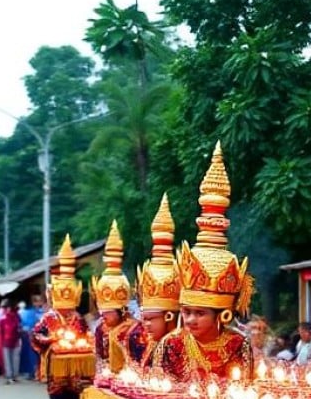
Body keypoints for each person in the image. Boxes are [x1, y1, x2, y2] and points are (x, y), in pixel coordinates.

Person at [153, 143, 253, 381]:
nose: (190, 319)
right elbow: (159, 390)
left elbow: (245, 389)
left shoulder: (239, 344)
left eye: (199, 313)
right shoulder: (172, 343)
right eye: (186, 312)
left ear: (222, 315)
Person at [32, 235, 95, 399]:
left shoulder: (77, 317)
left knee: (75, 382)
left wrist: (86, 341)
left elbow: (86, 333)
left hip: (75, 354)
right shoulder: (48, 317)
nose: (67, 309)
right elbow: (36, 335)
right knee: (57, 383)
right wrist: (50, 339)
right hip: (56, 356)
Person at [132, 193, 181, 368]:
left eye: (151, 318)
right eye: (144, 318)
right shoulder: (142, 340)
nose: (146, 324)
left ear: (169, 316)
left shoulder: (182, 346)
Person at [90, 220, 142, 374]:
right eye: (101, 311)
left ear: (122, 309)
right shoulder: (101, 328)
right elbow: (99, 355)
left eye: (107, 311)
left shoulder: (134, 329)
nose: (102, 315)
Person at [0, 299, 23, 383]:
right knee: (10, 359)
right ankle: (10, 376)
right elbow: (0, 331)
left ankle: (12, 376)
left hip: (13, 340)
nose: (6, 309)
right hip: (7, 341)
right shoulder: (4, 318)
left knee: (13, 359)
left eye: (7, 307)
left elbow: (19, 328)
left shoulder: (15, 317)